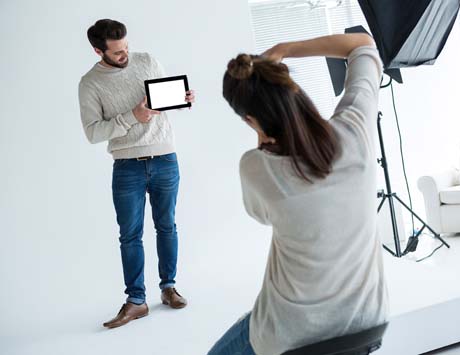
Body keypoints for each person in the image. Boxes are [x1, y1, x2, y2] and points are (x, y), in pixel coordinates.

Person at [210, 33, 389, 355]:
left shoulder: (257, 167)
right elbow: (363, 44)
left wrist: (262, 139)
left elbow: (260, 215)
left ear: (250, 120)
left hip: (294, 334)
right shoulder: (355, 129)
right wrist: (286, 49)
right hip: (367, 321)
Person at [78, 19, 195, 329]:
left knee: (166, 225)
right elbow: (92, 132)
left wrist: (181, 101)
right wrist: (132, 117)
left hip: (165, 157)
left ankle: (168, 287)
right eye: (117, 52)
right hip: (127, 166)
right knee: (130, 235)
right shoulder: (90, 83)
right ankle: (136, 301)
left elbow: (162, 103)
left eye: (126, 46)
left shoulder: (147, 60)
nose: (125, 54)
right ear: (98, 50)